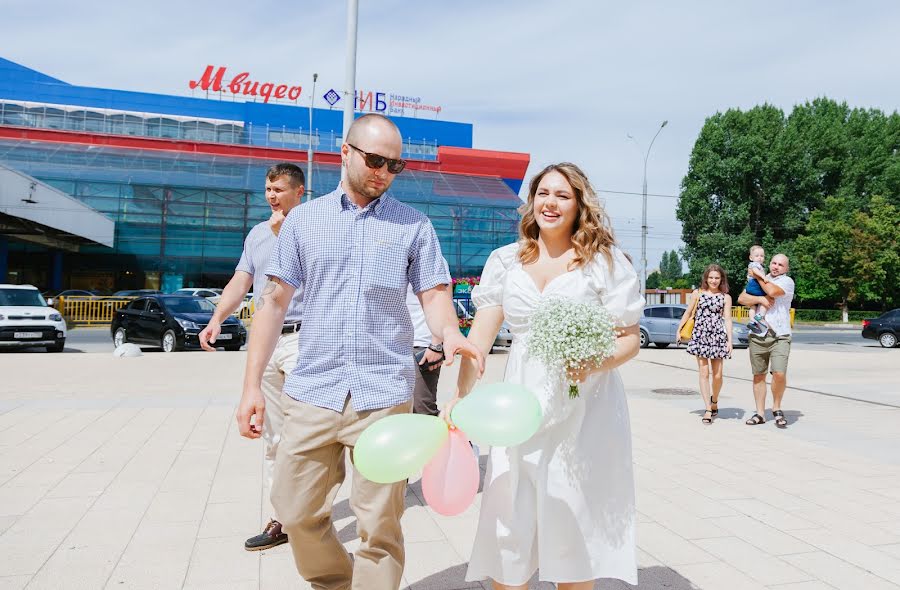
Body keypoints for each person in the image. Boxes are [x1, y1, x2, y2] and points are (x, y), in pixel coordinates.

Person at [238, 113, 484, 590]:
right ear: (345, 152)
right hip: (313, 390)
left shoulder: (413, 225)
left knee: (380, 527)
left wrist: (449, 332)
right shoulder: (303, 221)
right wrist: (251, 387)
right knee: (294, 509)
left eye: (395, 166)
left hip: (384, 395)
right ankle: (336, 581)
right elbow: (272, 304)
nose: (384, 173)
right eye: (375, 160)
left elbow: (434, 293)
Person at [448, 162, 644, 590]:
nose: (550, 203)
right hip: (517, 407)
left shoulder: (603, 263)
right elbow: (478, 342)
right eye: (543, 193)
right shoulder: (505, 260)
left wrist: (594, 363)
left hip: (584, 408)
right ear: (531, 200)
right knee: (509, 525)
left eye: (562, 195)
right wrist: (462, 399)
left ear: (579, 205)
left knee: (571, 525)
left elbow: (629, 338)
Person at [198, 162, 306, 551]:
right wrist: (216, 317)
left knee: (310, 431)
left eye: (279, 189)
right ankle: (281, 519)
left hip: (304, 339)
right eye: (268, 188)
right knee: (274, 437)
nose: (272, 196)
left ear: (299, 192)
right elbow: (240, 281)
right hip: (266, 341)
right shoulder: (257, 234)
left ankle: (312, 514)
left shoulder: (313, 228)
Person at [738, 253, 795, 428]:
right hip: (758, 334)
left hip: (780, 335)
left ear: (786, 269)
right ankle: (760, 413)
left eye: (780, 265)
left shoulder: (787, 282)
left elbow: (772, 291)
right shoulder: (761, 277)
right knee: (758, 375)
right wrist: (759, 299)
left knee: (779, 373)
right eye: (774, 263)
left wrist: (757, 275)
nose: (776, 266)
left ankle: (776, 407)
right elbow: (742, 298)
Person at [676, 264, 733, 424]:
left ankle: (714, 400)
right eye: (711, 278)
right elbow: (688, 312)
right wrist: (679, 329)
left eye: (717, 278)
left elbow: (727, 319)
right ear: (706, 279)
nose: (714, 281)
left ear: (721, 279)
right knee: (704, 373)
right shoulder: (697, 293)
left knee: (718, 375)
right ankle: (708, 408)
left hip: (717, 337)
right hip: (700, 335)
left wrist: (730, 340)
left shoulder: (725, 297)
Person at [406, 283, 445, 416]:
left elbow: (444, 303)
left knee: (422, 407)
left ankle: (449, 436)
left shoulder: (432, 262)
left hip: (422, 345)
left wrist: (436, 345)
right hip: (393, 345)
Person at [745, 245, 770, 334]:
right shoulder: (755, 264)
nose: (759, 258)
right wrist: (763, 277)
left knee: (753, 305)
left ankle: (752, 321)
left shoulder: (757, 265)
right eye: (757, 256)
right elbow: (755, 271)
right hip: (755, 285)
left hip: (750, 286)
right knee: (767, 298)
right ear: (751, 257)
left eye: (762, 256)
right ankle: (760, 316)